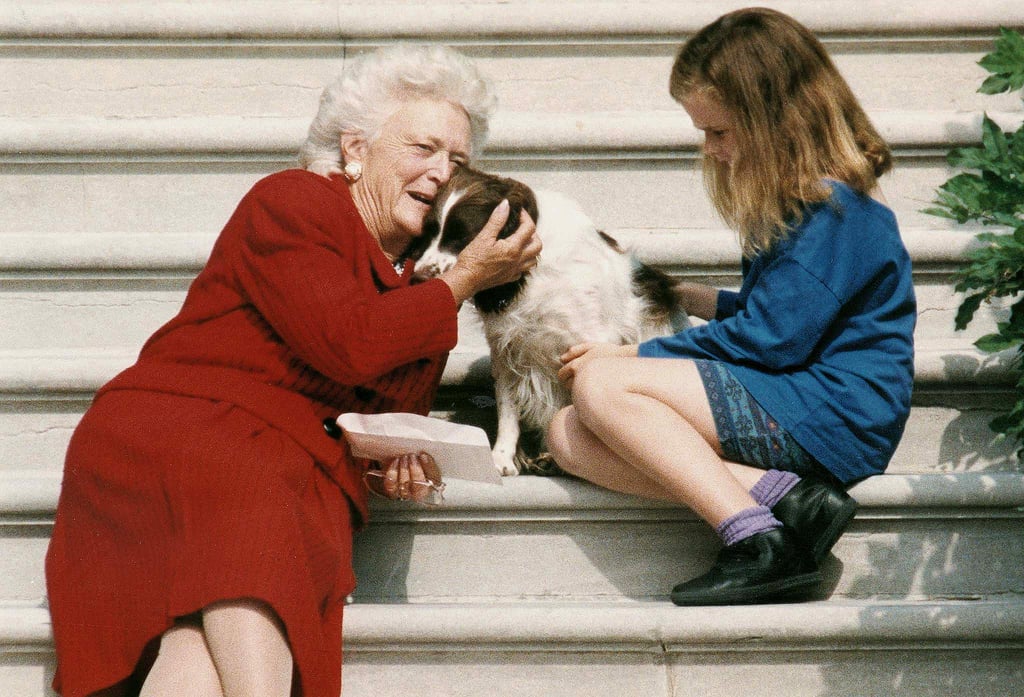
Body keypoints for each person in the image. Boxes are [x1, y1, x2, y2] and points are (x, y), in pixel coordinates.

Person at [45, 44, 541, 697]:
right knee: (253, 549)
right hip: (194, 434)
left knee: (198, 644)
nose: (442, 173)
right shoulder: (297, 202)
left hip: (284, 470)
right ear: (356, 149)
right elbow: (350, 345)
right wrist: (466, 280)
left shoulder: (421, 281)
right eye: (423, 149)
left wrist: (395, 464)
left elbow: (386, 414)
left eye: (459, 162)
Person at [548, 7, 916, 606]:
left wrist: (634, 352)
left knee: (604, 385)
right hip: (803, 395)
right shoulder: (807, 210)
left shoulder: (835, 212)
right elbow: (789, 312)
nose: (711, 149)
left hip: (837, 410)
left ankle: (758, 544)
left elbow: (772, 339)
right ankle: (788, 500)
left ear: (779, 121)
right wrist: (699, 299)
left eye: (719, 132)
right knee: (565, 434)